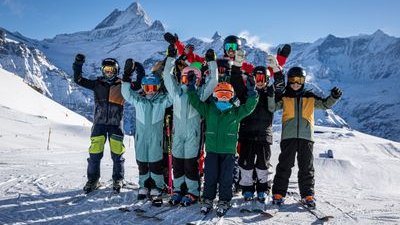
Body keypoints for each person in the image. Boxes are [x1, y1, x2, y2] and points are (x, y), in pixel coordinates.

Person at [269, 66, 343, 209]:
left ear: (303, 81)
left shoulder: (310, 97)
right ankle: (278, 194)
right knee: (285, 165)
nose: (295, 83)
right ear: (288, 81)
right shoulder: (284, 97)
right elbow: (272, 108)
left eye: (299, 80)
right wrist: (272, 95)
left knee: (306, 167)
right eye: (292, 80)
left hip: (306, 138)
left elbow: (325, 104)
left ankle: (307, 194)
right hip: (288, 137)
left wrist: (334, 97)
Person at [188, 75, 259, 217]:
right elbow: (196, 103)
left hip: (228, 152)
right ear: (215, 95)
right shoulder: (209, 110)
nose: (223, 98)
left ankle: (224, 201)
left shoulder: (235, 112)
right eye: (220, 94)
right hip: (212, 151)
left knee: (226, 178)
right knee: (210, 176)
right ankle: (208, 199)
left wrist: (252, 93)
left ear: (232, 97)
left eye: (227, 95)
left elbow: (249, 107)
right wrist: (191, 88)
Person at [163, 44, 218, 206]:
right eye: (186, 78)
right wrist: (171, 58)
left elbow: (214, 80)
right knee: (178, 164)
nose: (189, 82)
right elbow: (167, 75)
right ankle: (179, 190)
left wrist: (211, 62)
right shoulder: (176, 93)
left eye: (193, 79)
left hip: (193, 134)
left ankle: (193, 191)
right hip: (178, 133)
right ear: (181, 79)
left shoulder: (200, 94)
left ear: (199, 80)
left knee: (190, 164)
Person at [121, 59, 173, 206]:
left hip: (156, 138)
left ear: (158, 87)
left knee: (156, 163)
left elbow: (173, 95)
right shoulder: (139, 100)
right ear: (143, 88)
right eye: (147, 87)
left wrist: (169, 72)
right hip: (141, 138)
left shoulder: (162, 101)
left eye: (153, 87)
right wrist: (126, 76)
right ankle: (144, 185)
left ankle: (158, 186)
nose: (150, 90)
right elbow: (126, 93)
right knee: (142, 162)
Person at [72, 54, 126, 194]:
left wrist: (134, 71)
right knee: (95, 153)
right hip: (99, 124)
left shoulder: (122, 85)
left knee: (117, 154)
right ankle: (93, 179)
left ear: (116, 71)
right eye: (106, 70)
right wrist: (78, 64)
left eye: (111, 70)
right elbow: (78, 80)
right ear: (102, 70)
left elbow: (138, 86)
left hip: (115, 124)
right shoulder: (97, 84)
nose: (109, 72)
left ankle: (118, 179)